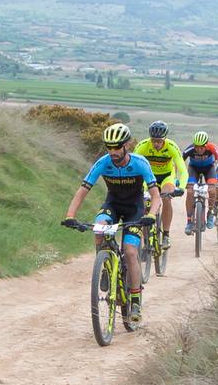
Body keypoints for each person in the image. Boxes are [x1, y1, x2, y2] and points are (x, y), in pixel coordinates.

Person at [62, 123, 160, 323]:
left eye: (116, 147)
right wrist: (70, 215)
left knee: (131, 251)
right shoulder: (103, 163)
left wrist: (151, 214)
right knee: (98, 229)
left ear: (127, 145)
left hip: (135, 209)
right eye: (109, 147)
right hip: (112, 206)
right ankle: (105, 265)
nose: (112, 151)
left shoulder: (140, 163)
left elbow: (156, 196)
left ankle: (135, 300)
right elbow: (82, 190)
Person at [133, 121, 186, 246]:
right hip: (149, 178)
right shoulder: (143, 146)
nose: (156, 144)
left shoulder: (172, 147)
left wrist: (181, 187)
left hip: (167, 177)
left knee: (167, 198)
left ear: (165, 138)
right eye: (153, 140)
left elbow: (183, 170)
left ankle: (166, 234)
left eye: (159, 141)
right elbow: (132, 165)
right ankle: (146, 239)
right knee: (145, 202)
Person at [180, 131, 218, 232]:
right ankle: (189, 221)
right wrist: (178, 179)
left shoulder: (212, 148)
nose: (199, 149)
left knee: (212, 191)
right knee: (190, 192)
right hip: (193, 169)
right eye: (197, 147)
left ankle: (210, 213)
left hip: (209, 169)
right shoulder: (190, 149)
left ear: (206, 145)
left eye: (202, 147)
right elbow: (178, 163)